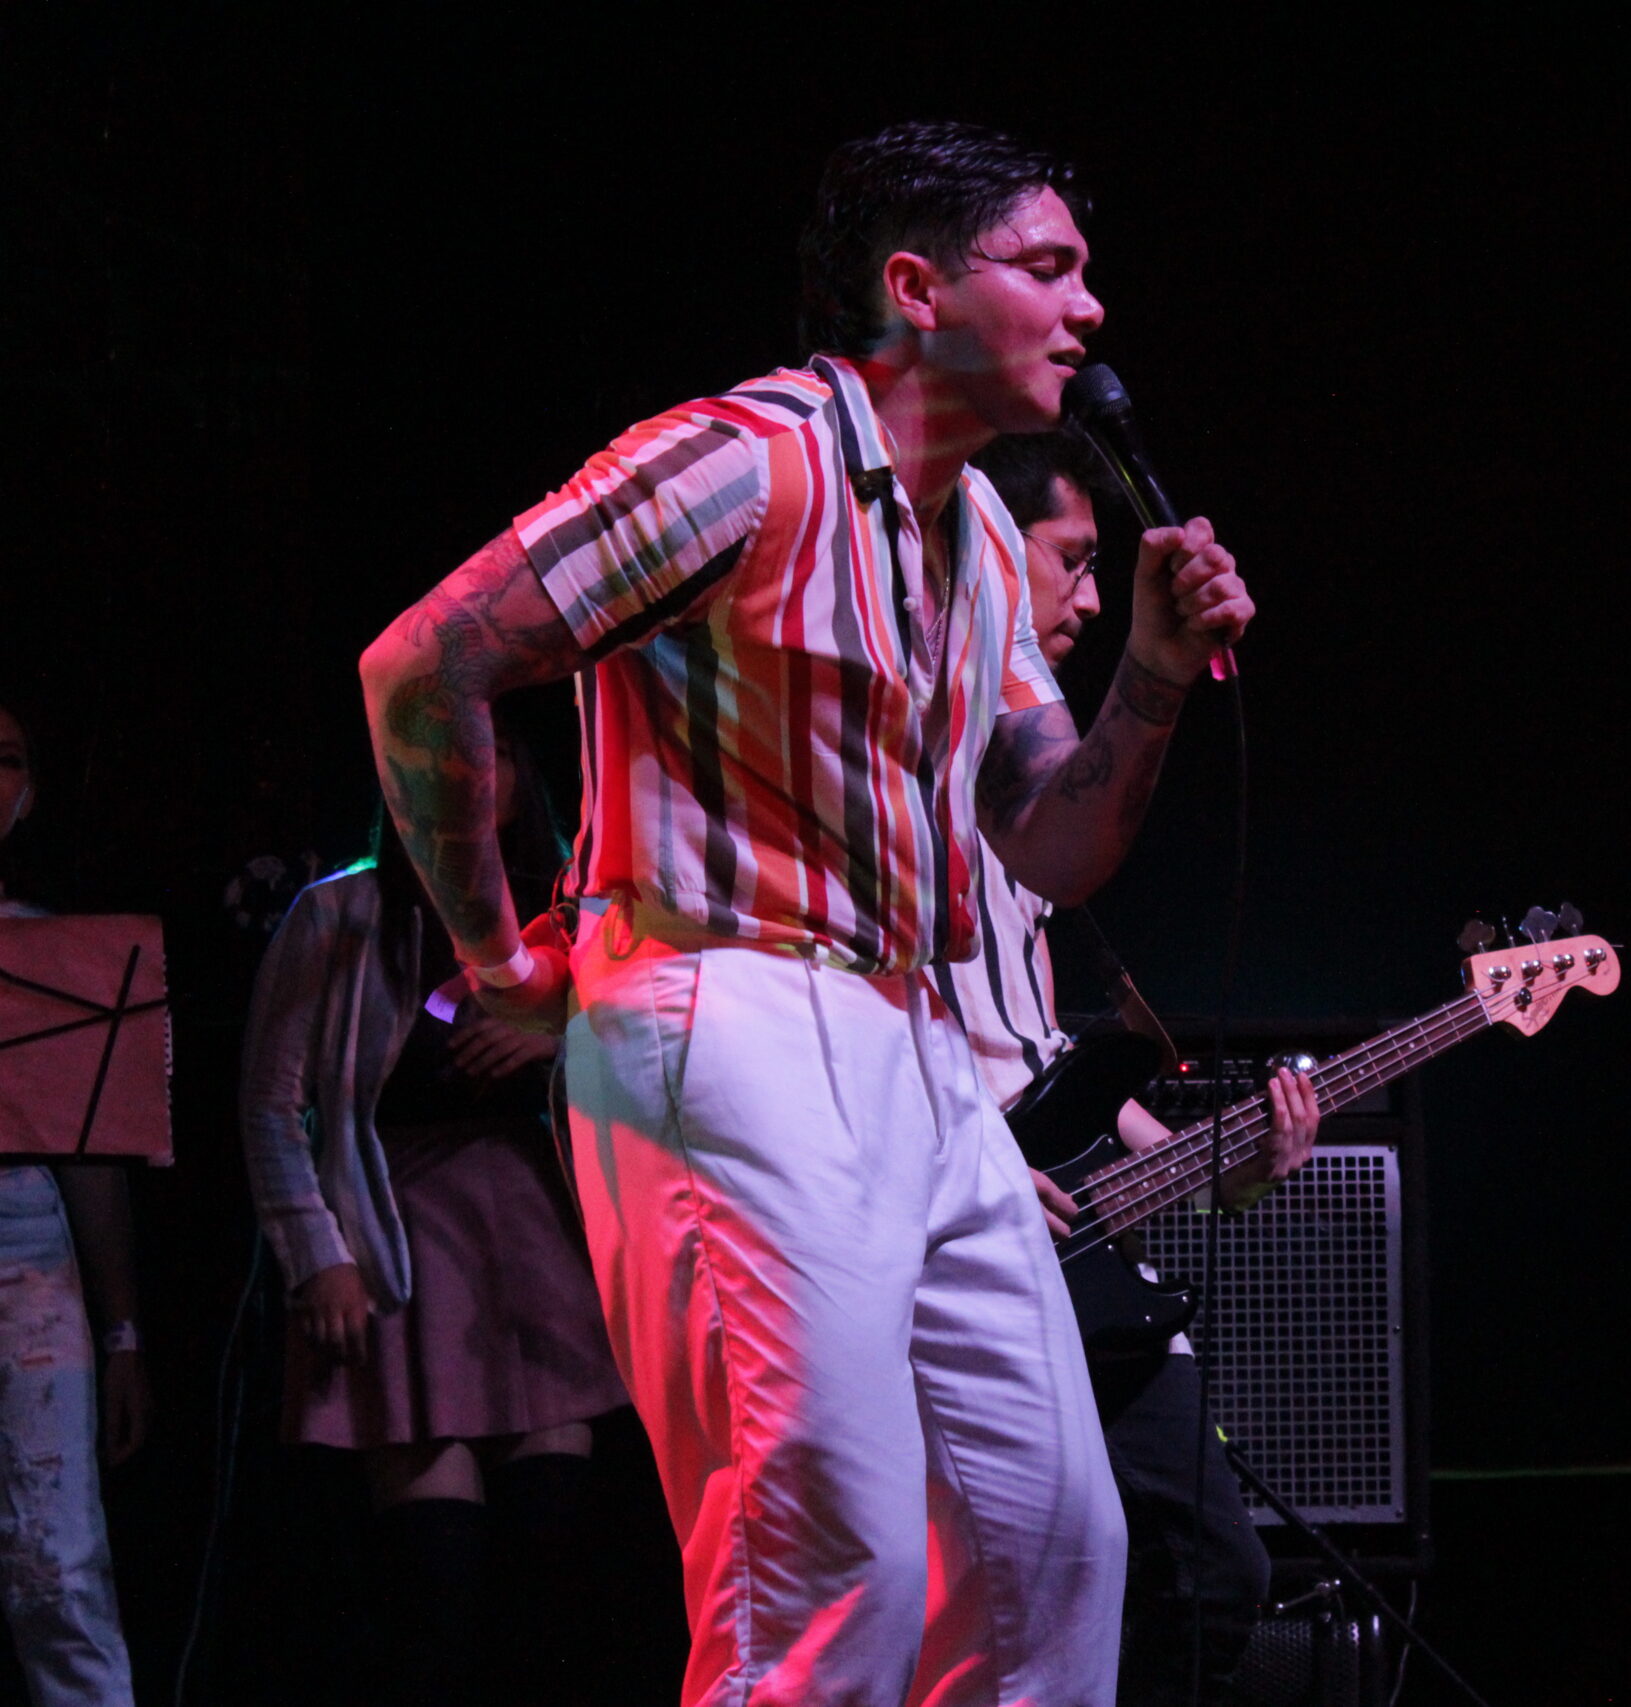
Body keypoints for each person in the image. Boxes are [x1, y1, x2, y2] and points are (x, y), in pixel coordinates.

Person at [357, 121, 1256, 1706]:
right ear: (917, 287)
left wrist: (1157, 673)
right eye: (1049, 267)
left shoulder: (980, 534)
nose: (1090, 306)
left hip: (918, 1035)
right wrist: (496, 957)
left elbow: (1051, 843)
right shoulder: (743, 457)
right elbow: (426, 662)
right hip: (730, 1007)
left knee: (1052, 1543)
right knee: (830, 1573)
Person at [957, 433, 1318, 1705]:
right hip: (949, 1223)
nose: (1092, 597)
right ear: (986, 549)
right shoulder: (913, 769)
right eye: (1070, 560)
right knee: (1008, 1588)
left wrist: (1214, 1168)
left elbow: (1046, 1060)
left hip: (1064, 1237)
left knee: (1210, 1572)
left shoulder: (1035, 817)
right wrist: (964, 1160)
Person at [238, 722, 626, 1707]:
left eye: (494, 755)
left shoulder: (568, 920)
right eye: (447, 757)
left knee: (548, 1574)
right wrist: (318, 1255)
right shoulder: (343, 912)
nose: (472, 776)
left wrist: (560, 1041)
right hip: (400, 1236)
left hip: (537, 1241)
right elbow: (272, 1101)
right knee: (433, 1591)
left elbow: (658, 1067)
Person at [0, 701, 149, 1707]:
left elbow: (92, 1156)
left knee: (55, 1564)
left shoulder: (56, 955)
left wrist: (123, 1328)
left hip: (24, 1246)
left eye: (8, 760)